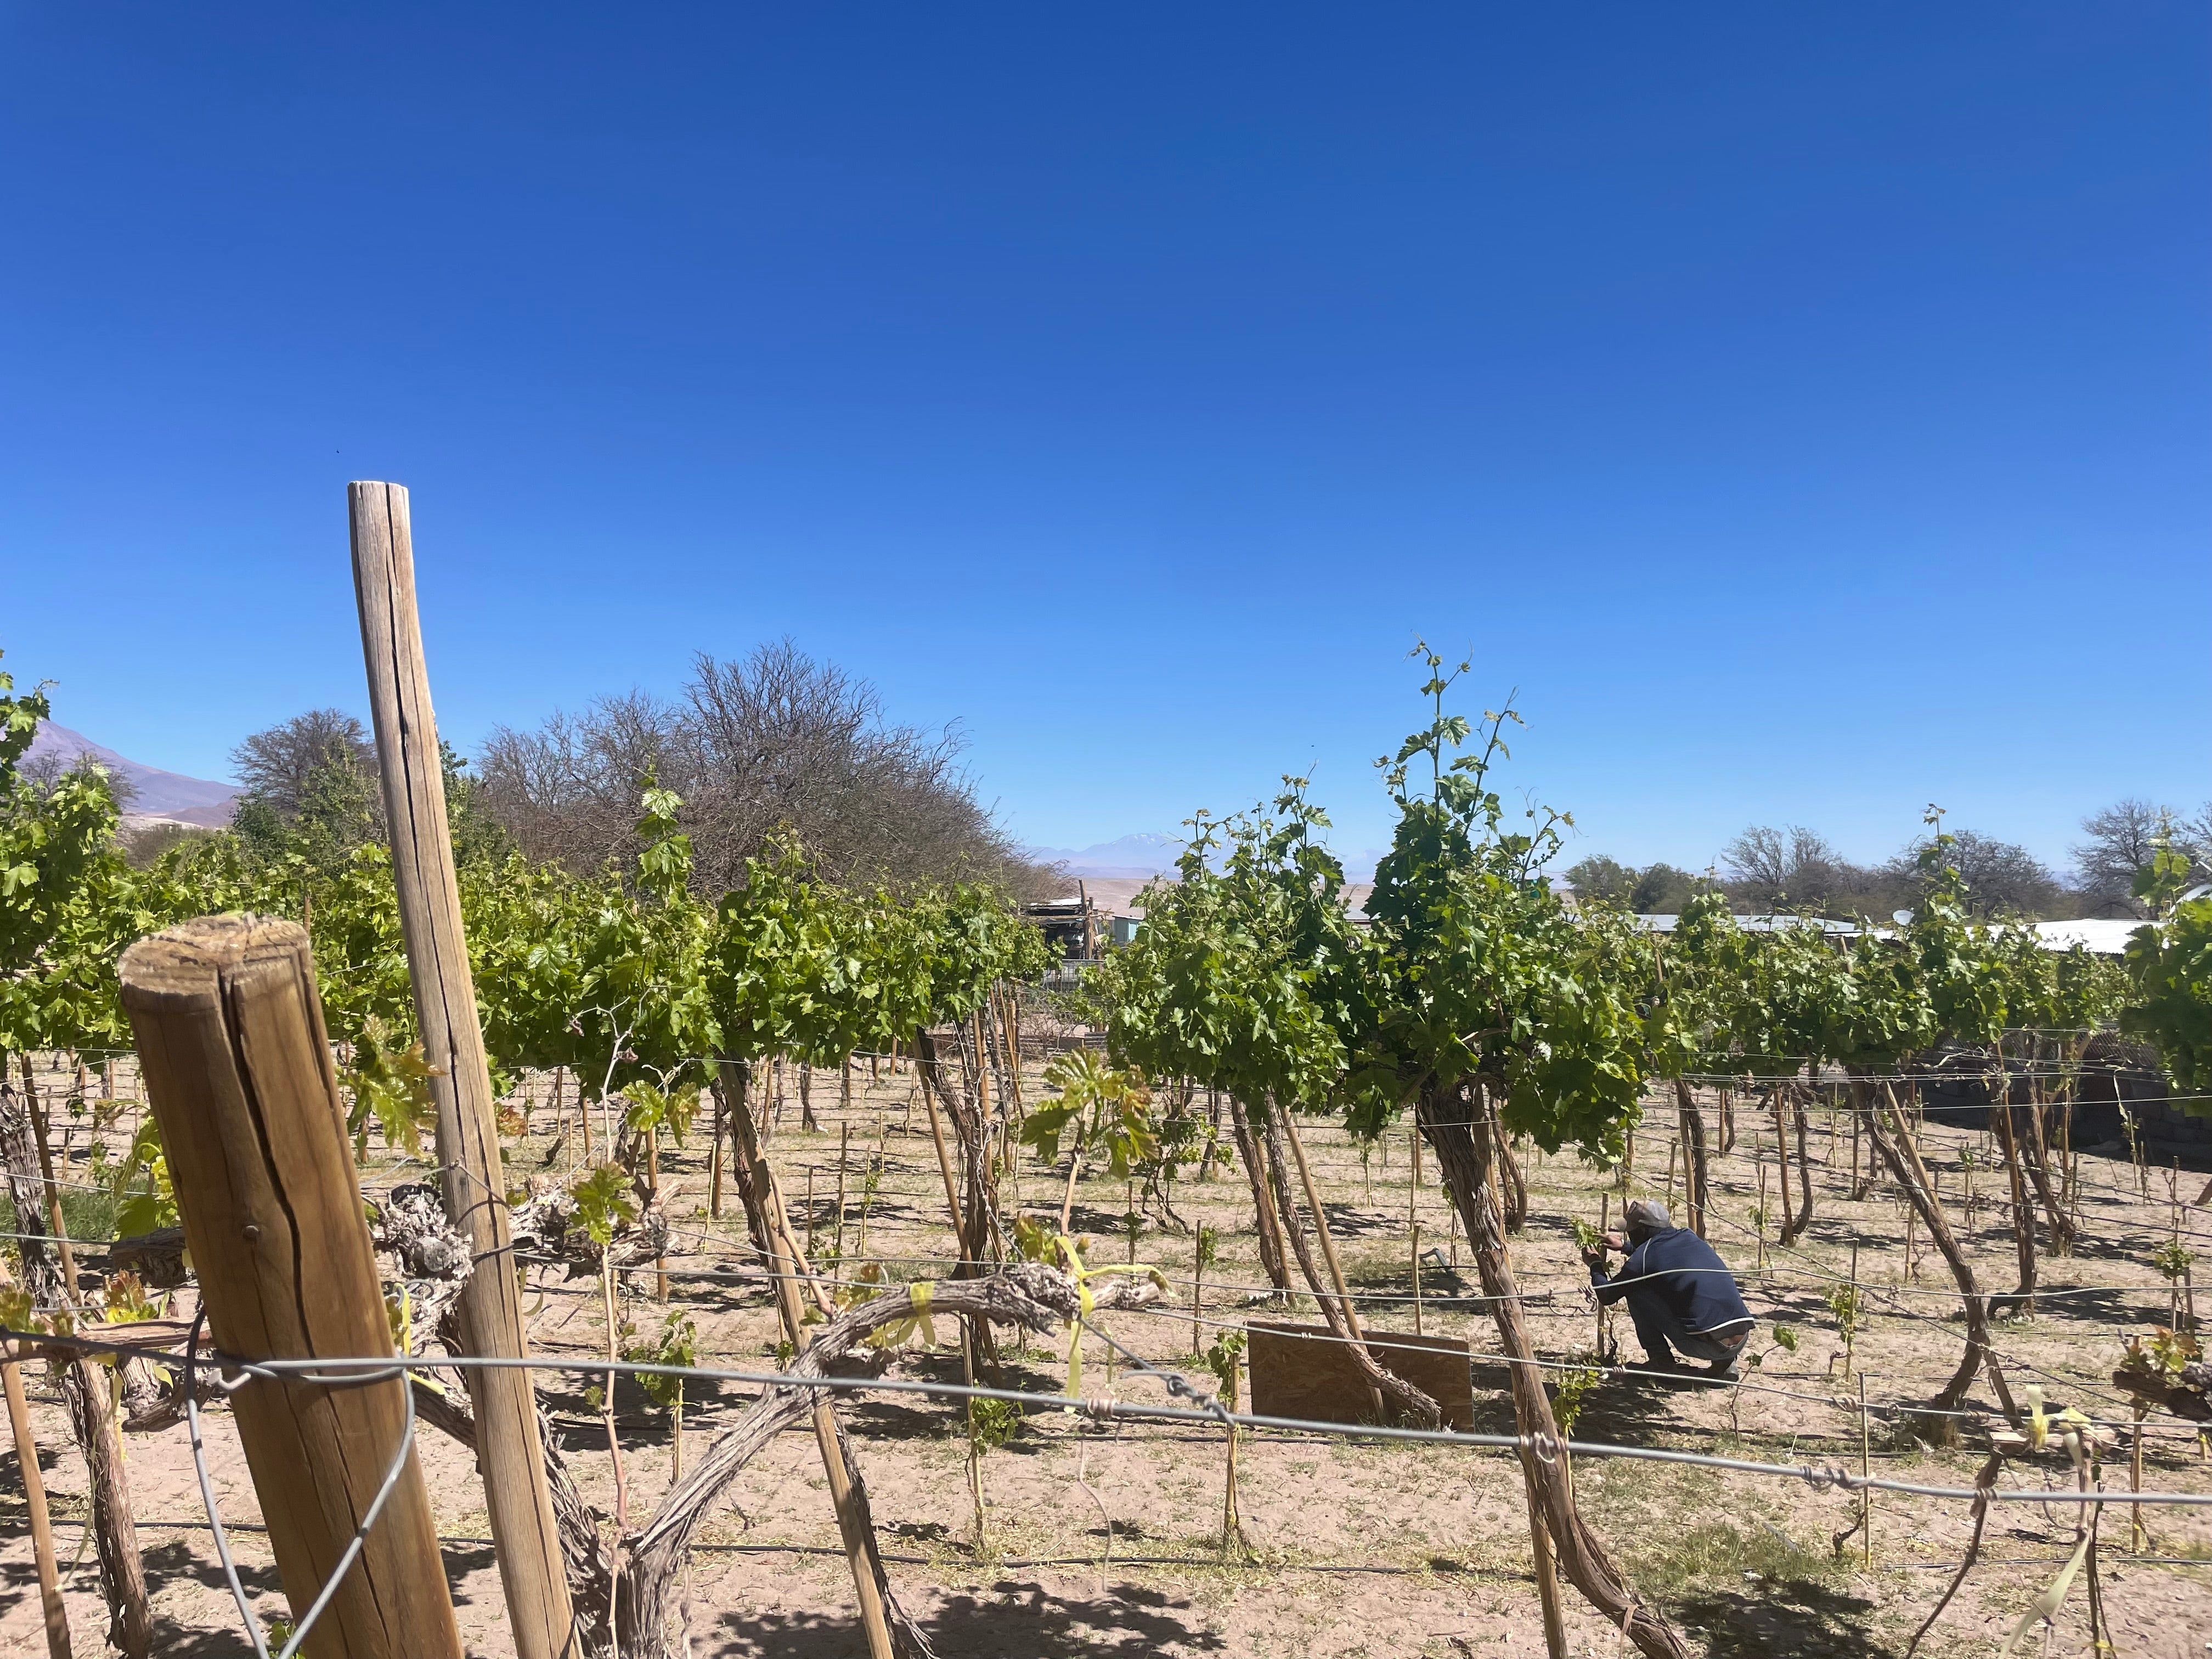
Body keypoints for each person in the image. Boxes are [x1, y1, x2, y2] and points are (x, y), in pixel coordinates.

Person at [1583, 1198, 1755, 1377]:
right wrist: (1626, 1247)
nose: (1629, 1234)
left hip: (1705, 1345)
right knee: (1705, 1296)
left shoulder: (1643, 1259)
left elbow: (1606, 1295)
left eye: (1631, 1231)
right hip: (1741, 1338)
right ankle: (1726, 1366)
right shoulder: (1689, 1236)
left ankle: (1661, 1362)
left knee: (1636, 1291)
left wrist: (1595, 1264)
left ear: (1642, 1231)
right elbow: (1661, 1259)